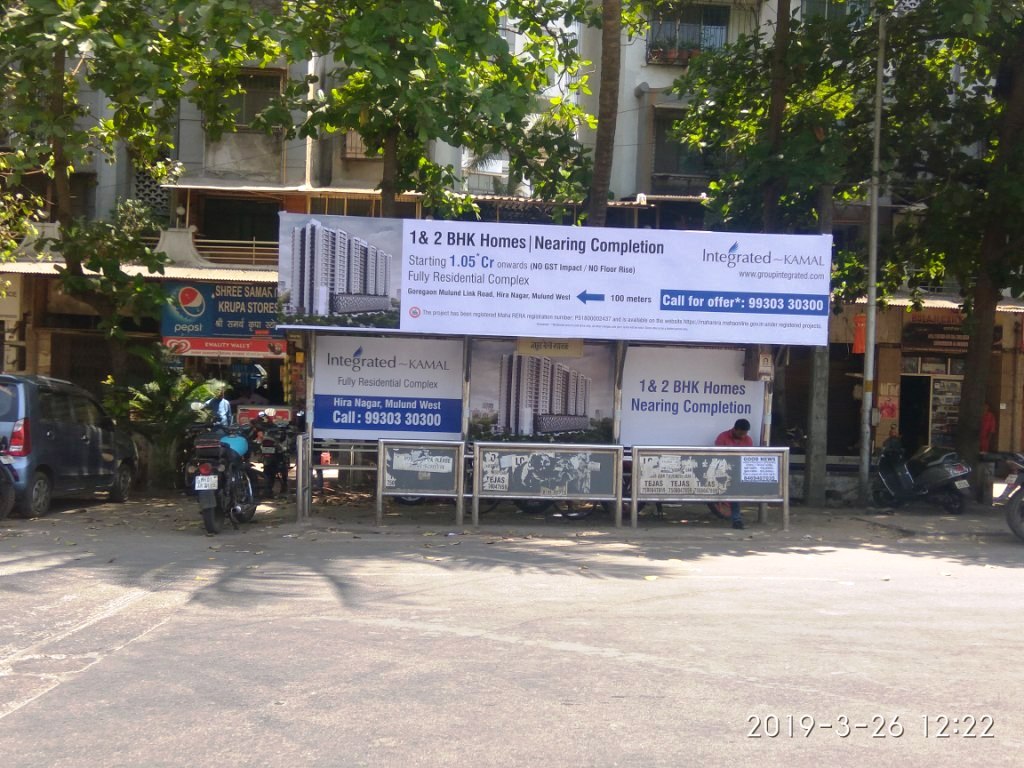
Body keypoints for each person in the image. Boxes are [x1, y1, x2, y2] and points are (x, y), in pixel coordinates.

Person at [714, 418, 754, 529]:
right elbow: (717, 457)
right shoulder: (723, 437)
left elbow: (748, 458)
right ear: (735, 429)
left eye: (745, 433)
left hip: (740, 471)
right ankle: (736, 518)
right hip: (723, 470)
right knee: (733, 486)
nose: (743, 435)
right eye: (741, 433)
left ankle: (736, 518)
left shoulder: (748, 440)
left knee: (735, 486)